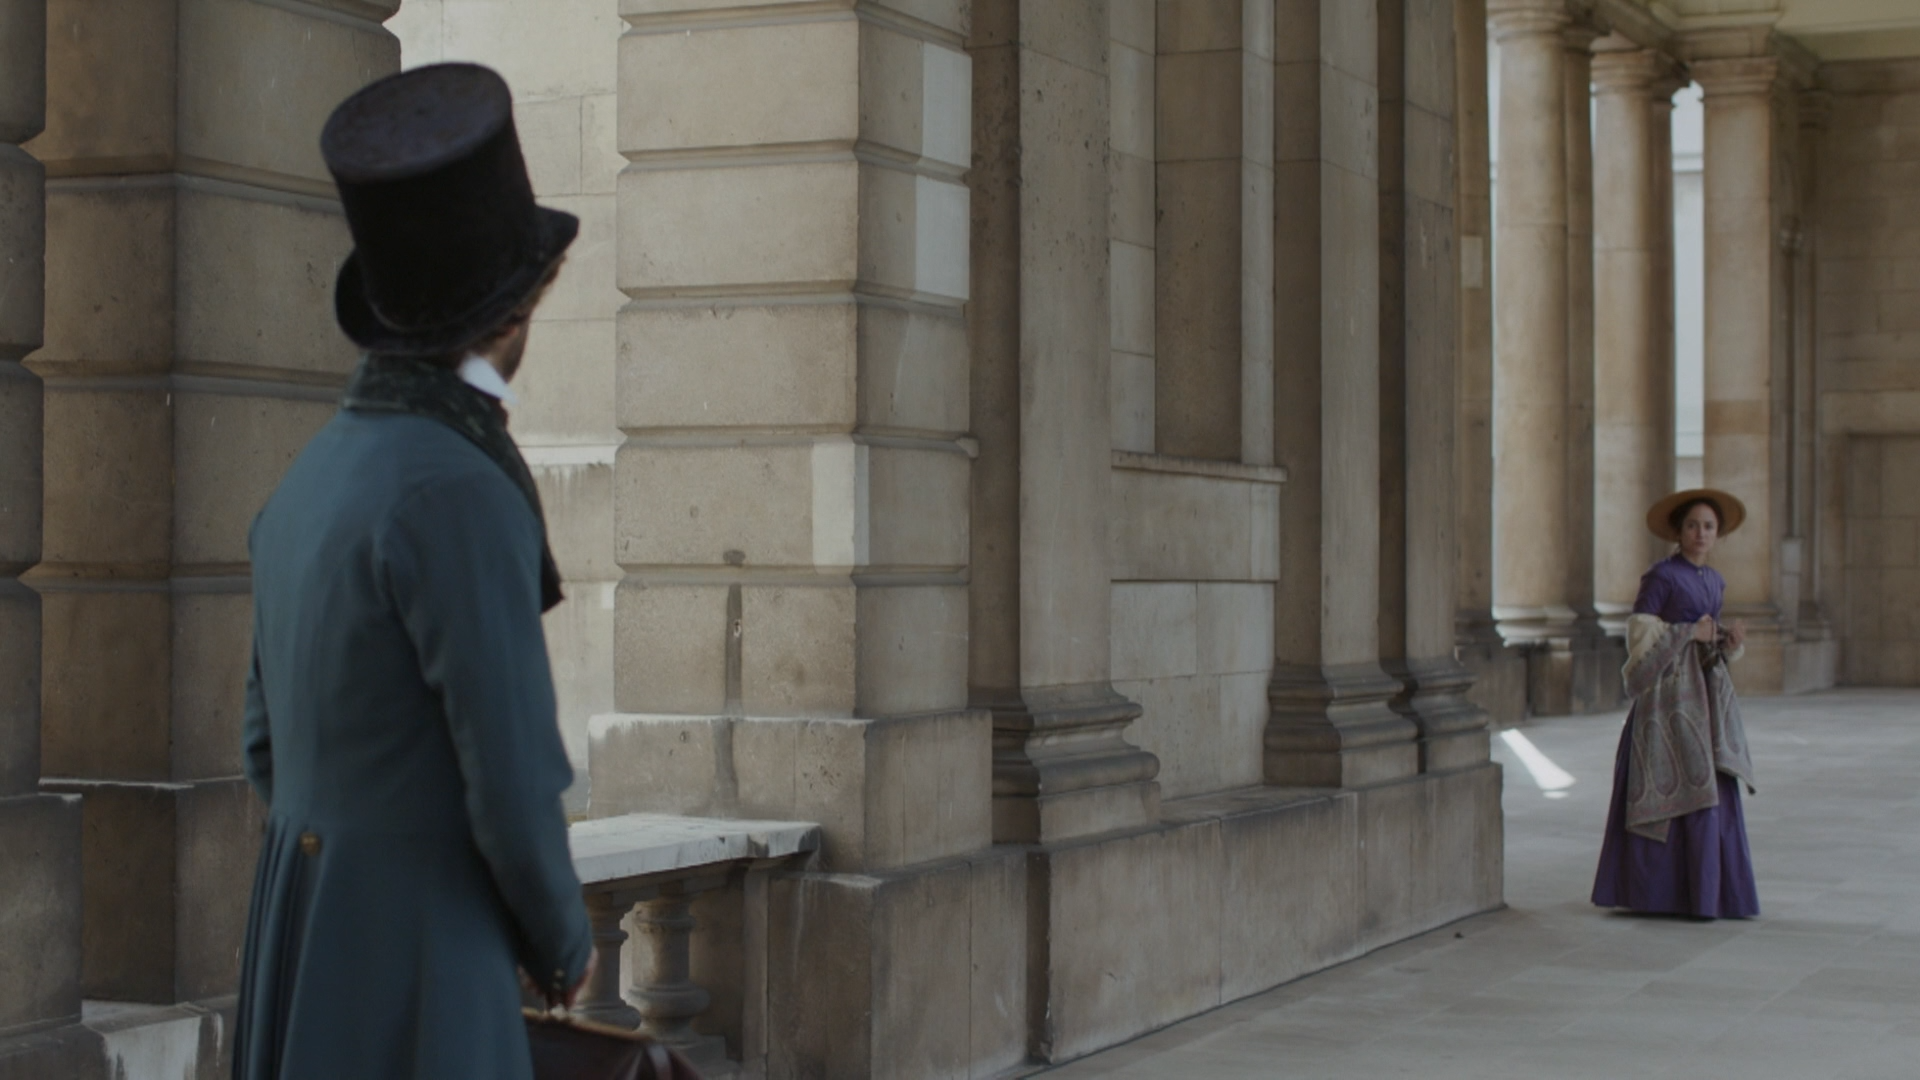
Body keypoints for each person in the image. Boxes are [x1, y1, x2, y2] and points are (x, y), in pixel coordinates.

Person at [233, 64, 594, 1079]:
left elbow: (264, 745)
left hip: (304, 942)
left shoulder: (308, 478)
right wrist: (563, 944)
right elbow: (512, 780)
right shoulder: (459, 491)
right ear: (518, 309)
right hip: (425, 955)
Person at [1591, 488, 1759, 919]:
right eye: (1692, 526)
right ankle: (1657, 894)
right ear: (1679, 532)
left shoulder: (1715, 580)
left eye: (1709, 527)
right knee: (1674, 775)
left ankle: (1708, 894)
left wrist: (1725, 641)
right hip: (1667, 701)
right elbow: (1640, 633)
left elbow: (1708, 637)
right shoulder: (1661, 576)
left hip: (1704, 699)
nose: (1701, 533)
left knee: (1711, 780)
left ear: (1718, 534)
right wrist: (1688, 632)